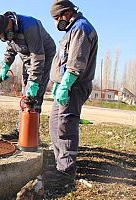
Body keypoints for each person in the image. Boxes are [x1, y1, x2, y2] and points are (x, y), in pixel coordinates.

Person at [44, 0, 98, 184]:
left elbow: (76, 64)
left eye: (56, 18)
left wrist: (66, 84)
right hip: (66, 84)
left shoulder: (80, 29)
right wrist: (58, 83)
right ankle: (60, 162)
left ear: (67, 13)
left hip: (74, 85)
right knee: (54, 123)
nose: (55, 22)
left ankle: (66, 170)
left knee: (65, 124)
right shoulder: (72, 29)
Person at [0, 11, 56, 141]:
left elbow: (38, 56)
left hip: (43, 56)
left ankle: (32, 135)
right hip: (27, 57)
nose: (5, 39)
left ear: (8, 26)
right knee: (25, 95)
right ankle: (21, 130)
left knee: (33, 96)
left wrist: (35, 81)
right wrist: (5, 66)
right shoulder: (9, 31)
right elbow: (10, 48)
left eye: (3, 36)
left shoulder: (30, 27)